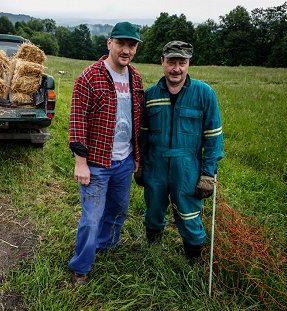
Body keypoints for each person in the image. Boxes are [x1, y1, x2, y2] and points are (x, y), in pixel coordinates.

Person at [68, 22, 143, 284]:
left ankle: (106, 246)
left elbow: (136, 119)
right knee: (92, 216)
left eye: (131, 45)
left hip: (124, 160)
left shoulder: (135, 77)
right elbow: (77, 121)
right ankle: (81, 267)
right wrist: (81, 163)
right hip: (97, 162)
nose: (126, 50)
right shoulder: (89, 77)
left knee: (119, 209)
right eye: (121, 43)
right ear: (109, 43)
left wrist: (136, 156)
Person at [136, 41, 223, 260]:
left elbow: (213, 137)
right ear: (162, 62)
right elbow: (142, 136)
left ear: (189, 63)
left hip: (187, 168)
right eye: (171, 62)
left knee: (189, 215)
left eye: (182, 63)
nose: (176, 69)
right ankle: (152, 254)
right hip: (155, 166)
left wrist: (207, 173)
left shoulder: (204, 94)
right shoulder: (150, 95)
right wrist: (140, 164)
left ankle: (192, 262)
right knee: (153, 212)